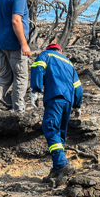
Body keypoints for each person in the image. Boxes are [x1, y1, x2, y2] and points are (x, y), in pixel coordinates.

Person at [30, 42, 83, 187]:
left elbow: (38, 69)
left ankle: (61, 163)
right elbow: (78, 87)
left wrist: (35, 90)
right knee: (60, 134)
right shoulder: (69, 63)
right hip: (68, 101)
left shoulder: (45, 55)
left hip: (54, 97)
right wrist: (77, 105)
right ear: (60, 50)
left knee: (50, 127)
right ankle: (57, 170)